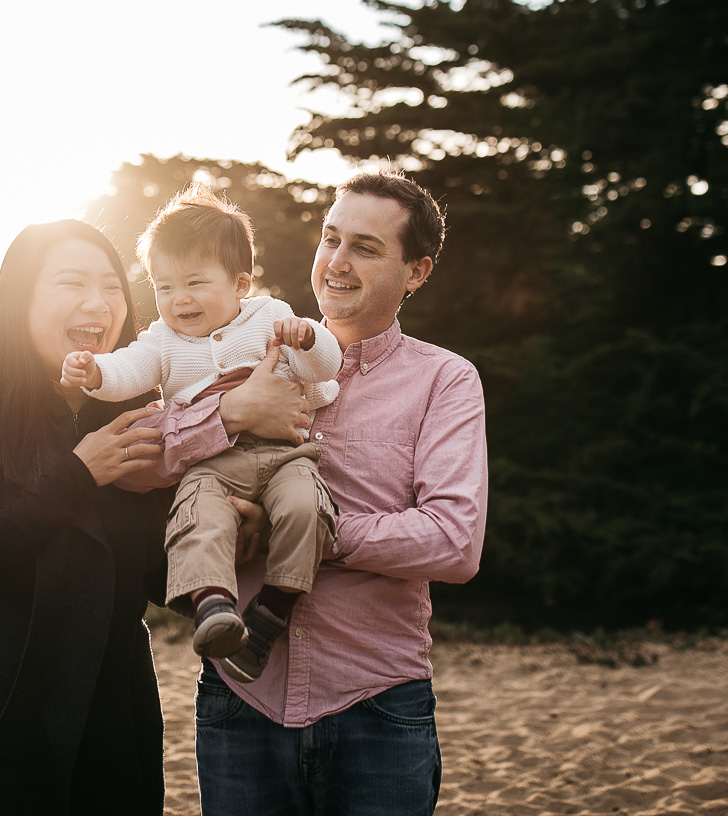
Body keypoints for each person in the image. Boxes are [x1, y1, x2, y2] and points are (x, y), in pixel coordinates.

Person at [123, 167, 488, 816]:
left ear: (417, 272)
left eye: (366, 248)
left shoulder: (445, 382)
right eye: (330, 238)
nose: (337, 262)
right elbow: (140, 463)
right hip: (242, 696)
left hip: (377, 701)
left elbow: (453, 543)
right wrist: (230, 415)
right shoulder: (242, 342)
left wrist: (302, 528)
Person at [0, 219, 172, 815]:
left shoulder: (147, 419)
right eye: (71, 283)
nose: (97, 303)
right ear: (19, 302)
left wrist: (228, 529)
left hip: (114, 710)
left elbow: (158, 582)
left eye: (112, 287)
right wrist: (80, 474)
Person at [62, 186, 341, 677]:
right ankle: (213, 604)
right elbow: (130, 367)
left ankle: (273, 609)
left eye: (194, 282)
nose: (178, 299)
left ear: (239, 285)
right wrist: (96, 374)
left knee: (306, 509)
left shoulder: (271, 316)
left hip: (285, 455)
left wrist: (312, 337)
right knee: (199, 515)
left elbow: (323, 370)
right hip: (211, 462)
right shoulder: (163, 342)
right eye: (163, 286)